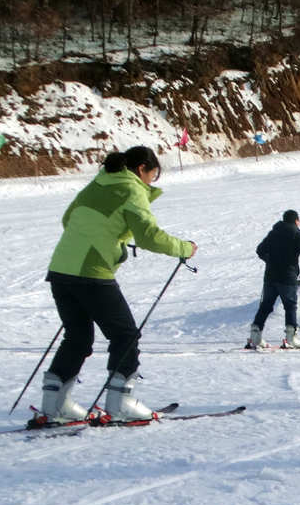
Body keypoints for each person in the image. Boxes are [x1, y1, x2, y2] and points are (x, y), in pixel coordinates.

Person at [37, 145, 196, 424]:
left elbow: (68, 219)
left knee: (77, 338)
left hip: (61, 270)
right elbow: (148, 236)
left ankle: (54, 404)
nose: (151, 181)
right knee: (125, 336)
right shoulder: (132, 188)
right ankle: (120, 402)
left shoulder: (98, 181)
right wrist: (184, 248)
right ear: (141, 169)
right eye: (153, 175)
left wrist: (105, 239)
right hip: (92, 273)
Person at [248, 209, 300, 350]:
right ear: (296, 220)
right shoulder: (296, 233)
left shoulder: (274, 233)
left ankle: (255, 335)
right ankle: (291, 337)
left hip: (270, 276)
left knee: (266, 305)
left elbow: (260, 249)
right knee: (290, 306)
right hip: (287, 277)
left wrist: (270, 261)